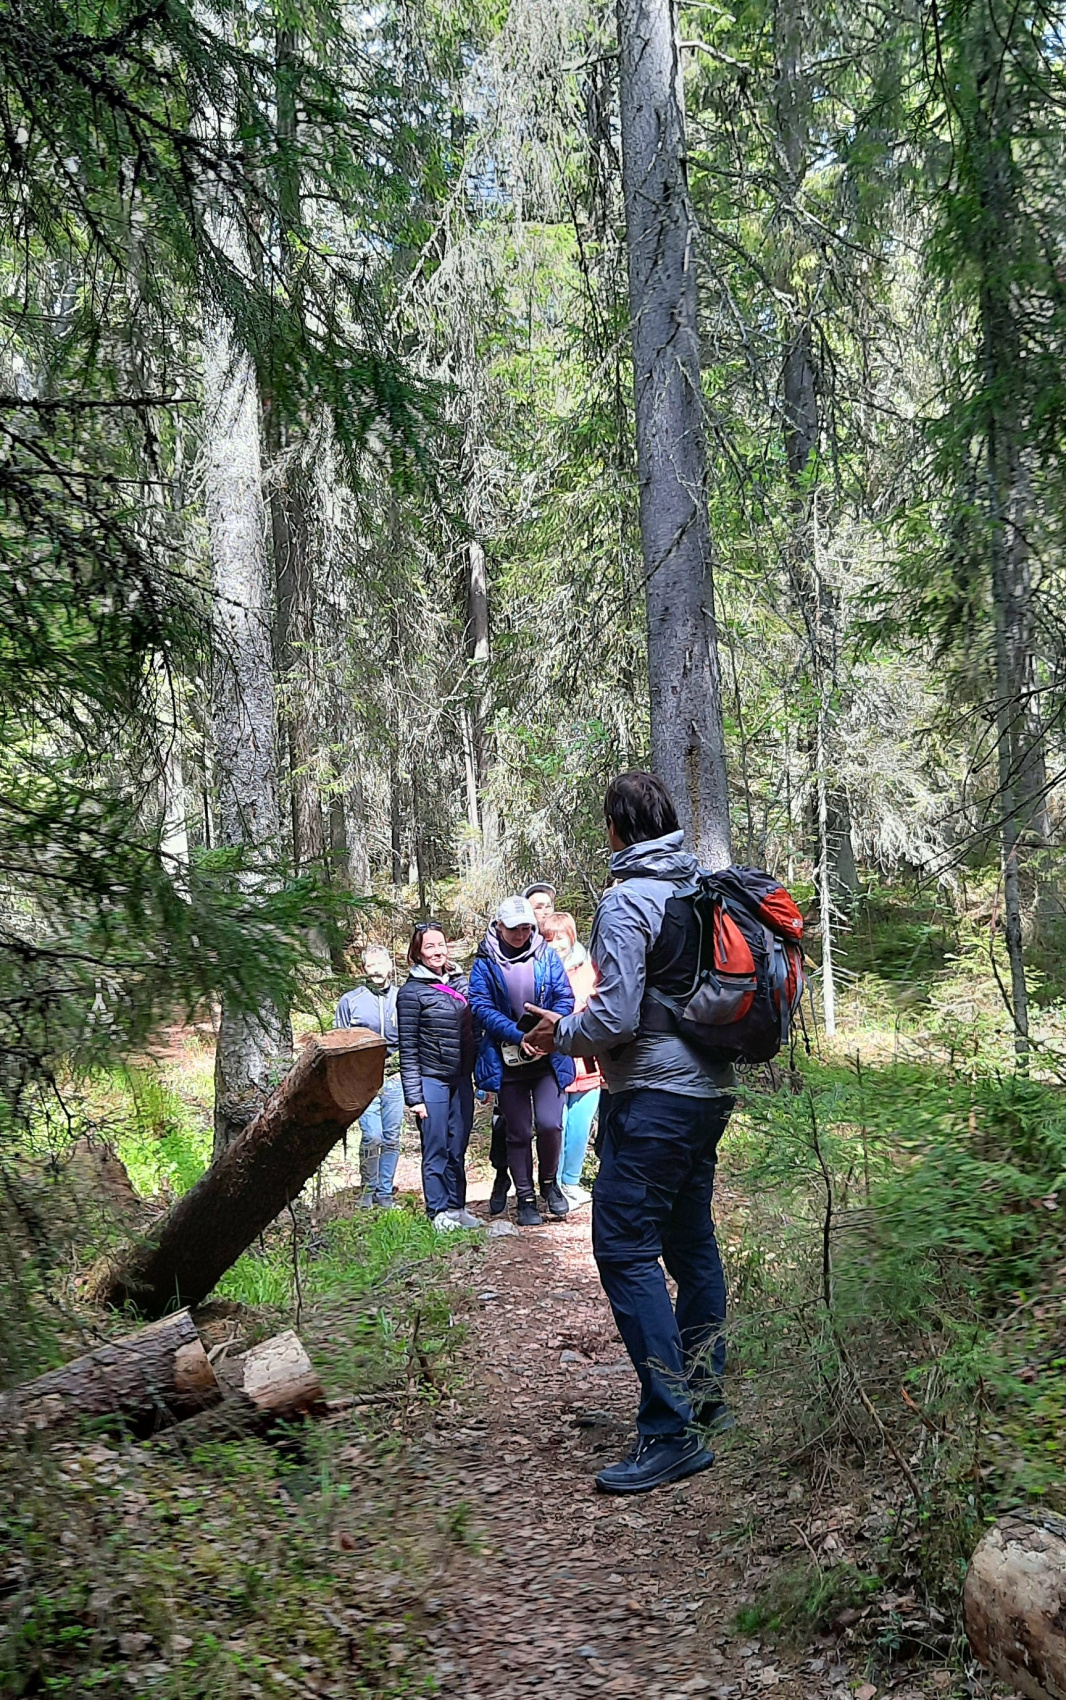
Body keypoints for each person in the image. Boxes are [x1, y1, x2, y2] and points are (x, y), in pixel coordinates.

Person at [523, 771, 736, 1495]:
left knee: (623, 1249)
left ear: (617, 830)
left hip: (651, 1095)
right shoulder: (703, 892)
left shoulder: (626, 900)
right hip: (709, 1091)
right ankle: (705, 1399)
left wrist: (560, 1036)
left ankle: (670, 1431)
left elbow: (612, 1020)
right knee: (690, 1244)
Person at [468, 896, 575, 1227]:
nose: (520, 934)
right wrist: (519, 1036)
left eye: (527, 927)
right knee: (516, 1130)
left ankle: (549, 1184)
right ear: (499, 926)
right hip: (507, 1057)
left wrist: (546, 1032)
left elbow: (565, 997)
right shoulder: (486, 960)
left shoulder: (546, 954)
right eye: (514, 928)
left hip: (547, 1056)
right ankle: (525, 1196)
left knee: (550, 1124)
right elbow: (480, 1006)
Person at [396, 922, 480, 1232]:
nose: (437, 951)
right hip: (431, 1079)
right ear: (417, 952)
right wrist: (414, 1097)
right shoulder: (411, 993)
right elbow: (407, 1047)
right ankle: (437, 1212)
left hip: (462, 1079)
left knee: (458, 1145)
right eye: (429, 946)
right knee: (436, 1147)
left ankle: (457, 1207)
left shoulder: (463, 984)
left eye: (441, 944)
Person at [333, 944, 403, 1208]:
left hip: (394, 1078)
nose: (376, 970)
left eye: (380, 964)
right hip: (363, 1081)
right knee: (373, 1135)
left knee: (392, 1136)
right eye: (370, 965)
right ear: (364, 969)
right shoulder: (351, 1001)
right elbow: (339, 1042)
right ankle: (368, 1190)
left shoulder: (401, 998)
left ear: (389, 966)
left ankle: (385, 1193)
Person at [541, 911, 601, 1209]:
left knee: (580, 1126)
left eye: (560, 938)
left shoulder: (589, 967)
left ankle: (571, 1181)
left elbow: (598, 1004)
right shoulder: (541, 967)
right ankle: (551, 1185)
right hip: (553, 1061)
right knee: (555, 1126)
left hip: (588, 1061)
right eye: (548, 939)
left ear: (571, 937)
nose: (555, 945)